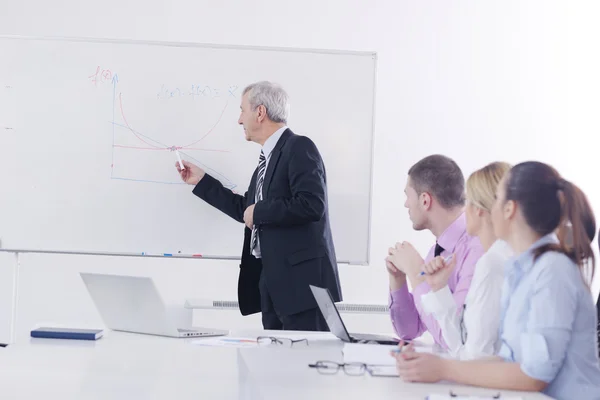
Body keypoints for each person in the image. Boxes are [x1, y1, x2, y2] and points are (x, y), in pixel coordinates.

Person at [392, 161, 600, 400]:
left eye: (496, 199)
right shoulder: (520, 269)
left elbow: (534, 375)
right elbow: (508, 359)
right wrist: (435, 364)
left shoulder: (553, 269)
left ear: (509, 209)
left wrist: (445, 368)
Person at [176, 81, 342, 331]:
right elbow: (246, 209)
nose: (239, 120)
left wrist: (260, 211)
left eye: (242, 110)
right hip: (273, 285)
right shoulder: (266, 162)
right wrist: (201, 181)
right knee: (274, 367)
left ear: (260, 112)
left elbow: (311, 204)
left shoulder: (299, 147)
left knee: (304, 365)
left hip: (303, 289)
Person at [386, 155, 484, 347]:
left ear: (425, 200)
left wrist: (416, 273)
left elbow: (455, 340)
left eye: (408, 195)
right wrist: (398, 280)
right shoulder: (437, 252)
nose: (406, 204)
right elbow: (410, 329)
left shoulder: (476, 247)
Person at [419, 162, 513, 359]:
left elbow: (474, 358)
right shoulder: (495, 258)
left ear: (479, 209)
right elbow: (464, 346)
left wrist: (440, 369)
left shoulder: (492, 264)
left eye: (467, 201)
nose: (463, 209)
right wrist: (439, 288)